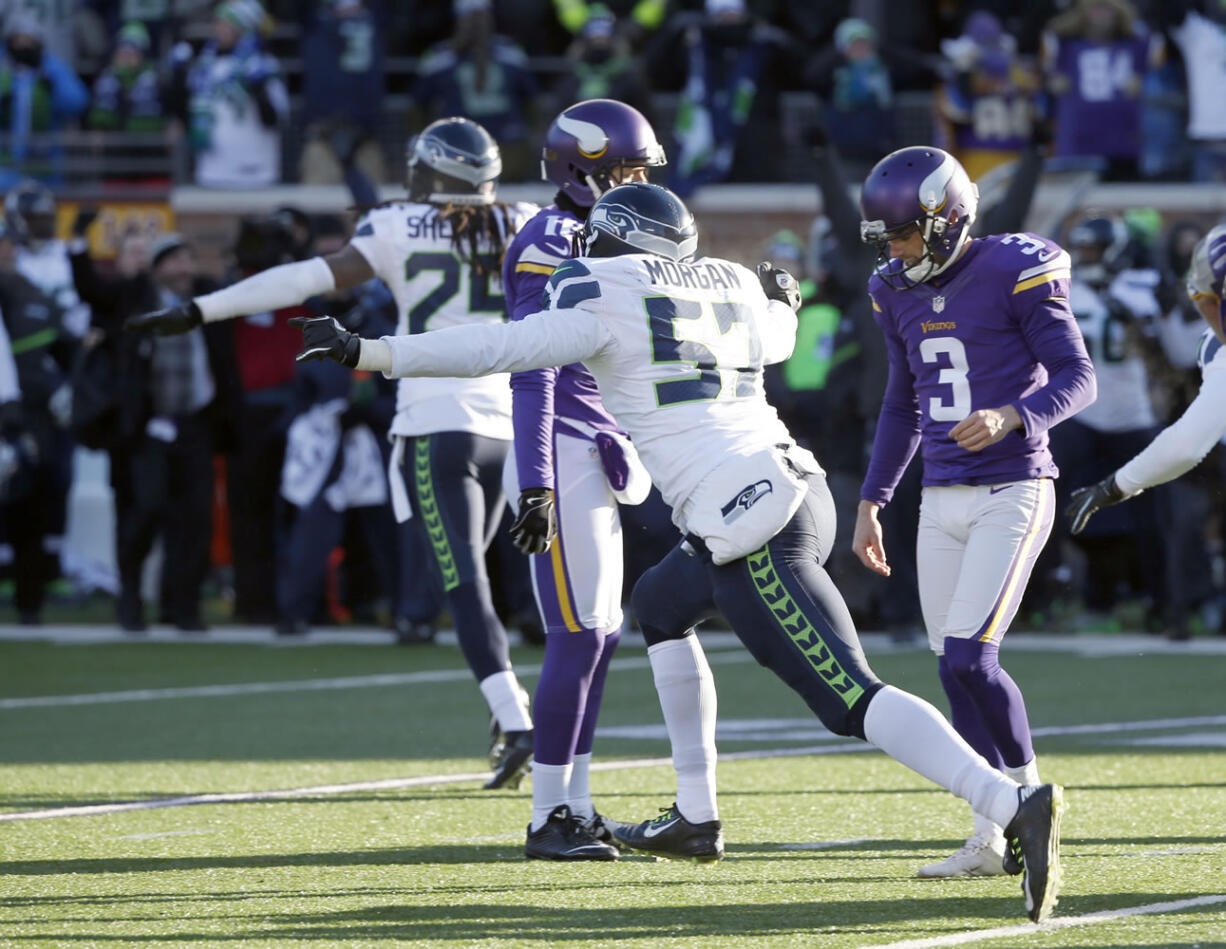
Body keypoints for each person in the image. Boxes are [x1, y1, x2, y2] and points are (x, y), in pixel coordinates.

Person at [293, 181, 1067, 923]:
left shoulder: (600, 294)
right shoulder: (730, 282)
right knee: (660, 607)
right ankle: (694, 816)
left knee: (848, 697)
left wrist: (371, 351)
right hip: (779, 488)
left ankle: (1010, 802)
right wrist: (787, 299)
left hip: (752, 516)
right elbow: (781, 331)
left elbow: (503, 345)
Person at [126, 116, 539, 789]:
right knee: (496, 582)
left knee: (466, 586)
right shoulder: (525, 219)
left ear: (429, 175)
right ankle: (522, 720)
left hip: (436, 422)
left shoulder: (399, 225)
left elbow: (304, 280)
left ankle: (516, 718)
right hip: (513, 424)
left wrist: (204, 308)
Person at [851, 147, 1094, 882]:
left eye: (905, 233)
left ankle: (1029, 799)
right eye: (887, 237)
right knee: (951, 671)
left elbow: (1078, 378)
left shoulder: (1014, 268)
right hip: (941, 495)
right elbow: (903, 401)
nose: (895, 250)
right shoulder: (892, 288)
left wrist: (1013, 415)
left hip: (1013, 486)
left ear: (949, 219)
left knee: (969, 656)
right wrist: (872, 500)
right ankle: (990, 834)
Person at [500, 98, 665, 860]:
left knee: (601, 634)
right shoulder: (551, 238)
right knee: (576, 631)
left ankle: (576, 801)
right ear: (582, 170)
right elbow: (533, 368)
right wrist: (535, 481)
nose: (637, 182)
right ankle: (546, 816)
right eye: (626, 170)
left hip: (600, 445)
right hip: (558, 447)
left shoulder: (611, 231)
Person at [71, 230, 240, 631]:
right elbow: (92, 291)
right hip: (147, 426)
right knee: (146, 510)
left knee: (195, 521)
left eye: (188, 259)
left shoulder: (206, 300)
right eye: (174, 260)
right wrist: (80, 246)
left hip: (195, 422)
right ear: (157, 267)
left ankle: (181, 606)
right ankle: (130, 599)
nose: (184, 268)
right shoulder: (134, 298)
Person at [1067, 225, 1226, 563]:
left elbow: (1185, 444)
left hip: (1135, 413)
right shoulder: (1067, 288)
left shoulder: (1142, 288)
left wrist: (1114, 487)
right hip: (1081, 412)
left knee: (1160, 515)